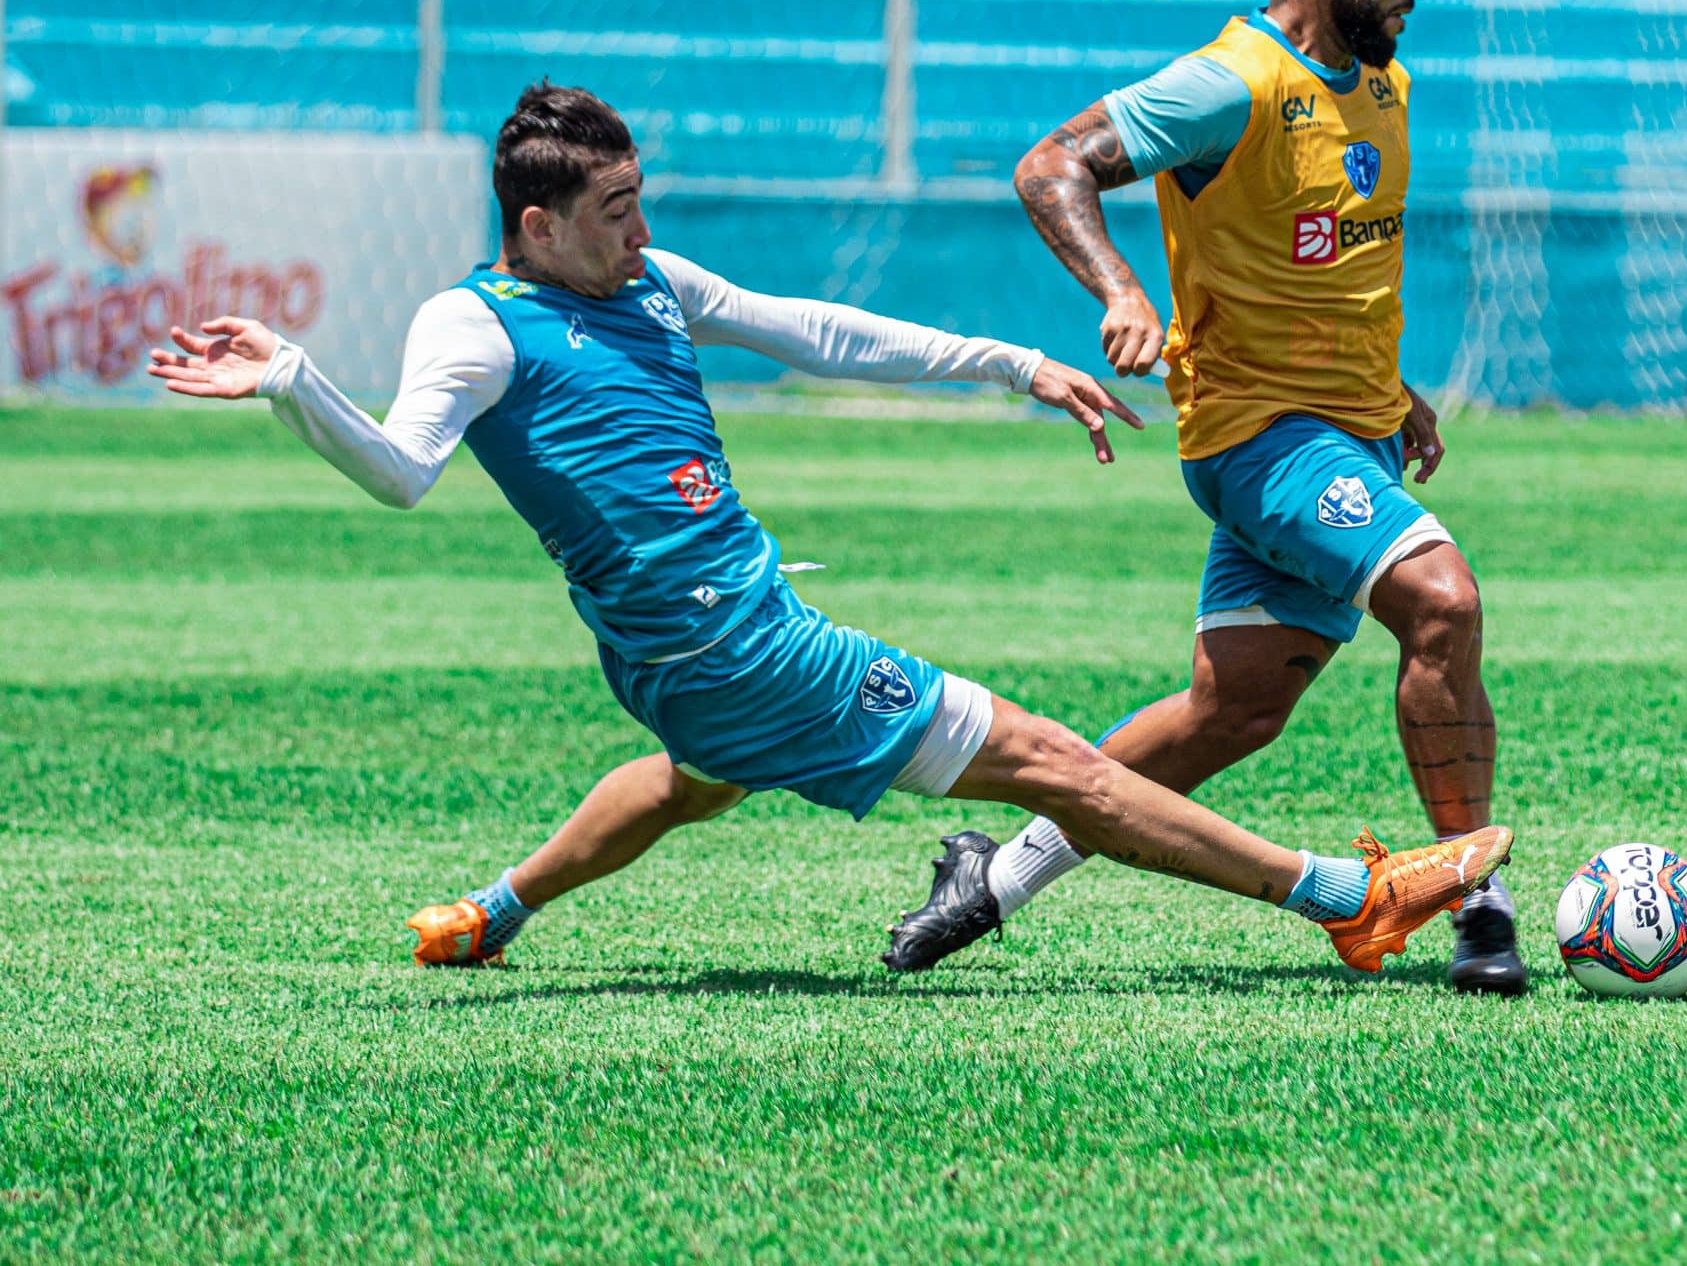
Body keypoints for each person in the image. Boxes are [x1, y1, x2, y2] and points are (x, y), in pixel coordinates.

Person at [146, 81, 1511, 975]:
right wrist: (288, 381)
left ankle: (490, 914)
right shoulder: (471, 321)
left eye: (640, 201)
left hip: (686, 662)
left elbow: (814, 331)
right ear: (536, 222)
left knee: (695, 778)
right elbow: (399, 471)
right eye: (614, 211)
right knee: (1056, 765)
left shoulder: (648, 283)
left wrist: (1006, 361)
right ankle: (1346, 894)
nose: (640, 228)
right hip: (748, 646)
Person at [884, 0, 1528, 995]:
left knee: (1228, 715)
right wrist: (1122, 296)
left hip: (1348, 430)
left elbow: (1330, 264)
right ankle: (1476, 903)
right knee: (1442, 599)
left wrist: (1395, 388)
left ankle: (991, 878)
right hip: (1261, 443)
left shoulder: (1381, 86)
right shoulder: (1227, 84)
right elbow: (1051, 167)